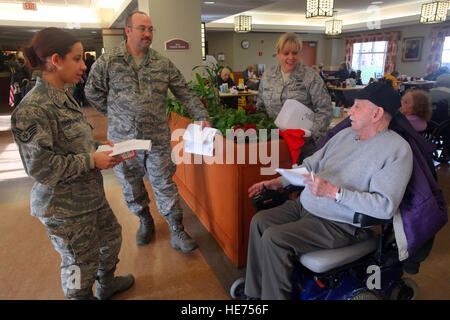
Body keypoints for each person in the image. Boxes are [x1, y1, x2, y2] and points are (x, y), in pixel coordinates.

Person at [244, 82, 413, 299]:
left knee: (274, 238)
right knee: (260, 222)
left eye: (357, 106)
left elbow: (384, 207)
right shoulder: (345, 135)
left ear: (377, 113)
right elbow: (312, 164)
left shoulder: (396, 150)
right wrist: (280, 181)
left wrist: (335, 193)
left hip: (341, 223)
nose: (349, 111)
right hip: (308, 204)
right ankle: (255, 294)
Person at [10, 27, 134, 300]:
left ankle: (106, 283)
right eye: (77, 59)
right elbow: (41, 168)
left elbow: (72, 143)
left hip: (89, 196)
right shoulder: (33, 109)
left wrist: (98, 150)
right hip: (64, 208)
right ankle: (78, 296)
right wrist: (91, 159)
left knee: (111, 238)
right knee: (77, 263)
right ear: (56, 60)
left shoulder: (64, 96)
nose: (83, 66)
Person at [85, 11, 211, 252]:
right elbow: (92, 91)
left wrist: (202, 116)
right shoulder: (109, 61)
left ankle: (176, 229)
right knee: (131, 186)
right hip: (123, 142)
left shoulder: (162, 63)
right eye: (142, 29)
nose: (148, 34)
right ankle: (144, 220)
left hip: (157, 140)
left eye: (151, 29)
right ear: (128, 31)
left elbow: (183, 91)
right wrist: (114, 113)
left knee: (164, 184)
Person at [256, 32, 333, 162]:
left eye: (295, 53)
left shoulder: (310, 76)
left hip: (305, 148)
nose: (291, 57)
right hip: (275, 145)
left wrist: (311, 134)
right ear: (278, 53)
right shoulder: (268, 76)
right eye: (286, 53)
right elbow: (260, 108)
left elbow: (325, 110)